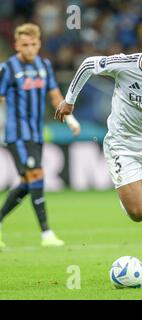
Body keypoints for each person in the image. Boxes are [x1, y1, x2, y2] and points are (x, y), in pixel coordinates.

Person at [55, 22, 142, 283]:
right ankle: (126, 190)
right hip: (122, 144)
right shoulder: (125, 64)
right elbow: (88, 64)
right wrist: (69, 100)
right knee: (138, 213)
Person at [0, 23, 80, 249]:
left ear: (39, 44)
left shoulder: (44, 65)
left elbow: (55, 96)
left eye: (33, 45)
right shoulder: (8, 68)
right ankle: (46, 233)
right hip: (17, 134)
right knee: (36, 175)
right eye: (24, 45)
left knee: (27, 183)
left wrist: (71, 119)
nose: (29, 49)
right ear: (16, 45)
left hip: (36, 134)